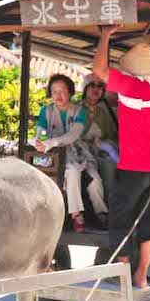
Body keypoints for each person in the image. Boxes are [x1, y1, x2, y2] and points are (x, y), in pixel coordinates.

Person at [93, 27, 150, 289]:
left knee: (121, 219)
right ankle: (141, 275)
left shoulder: (130, 87)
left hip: (132, 168)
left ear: (133, 70)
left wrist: (105, 35)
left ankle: (123, 274)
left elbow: (99, 71)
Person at [33, 73, 108, 232]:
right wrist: (39, 142)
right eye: (54, 92)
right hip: (53, 156)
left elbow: (74, 135)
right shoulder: (46, 111)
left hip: (79, 153)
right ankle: (76, 216)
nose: (58, 95)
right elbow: (39, 134)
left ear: (70, 92)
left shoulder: (80, 111)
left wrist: (51, 142)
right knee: (72, 171)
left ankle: (101, 214)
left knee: (95, 180)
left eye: (62, 91)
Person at [80, 74, 119, 205]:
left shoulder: (103, 112)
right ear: (85, 88)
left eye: (100, 86)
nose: (96, 89)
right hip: (81, 152)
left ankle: (110, 207)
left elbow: (110, 134)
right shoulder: (75, 108)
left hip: (98, 152)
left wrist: (104, 144)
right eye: (92, 85)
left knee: (110, 165)